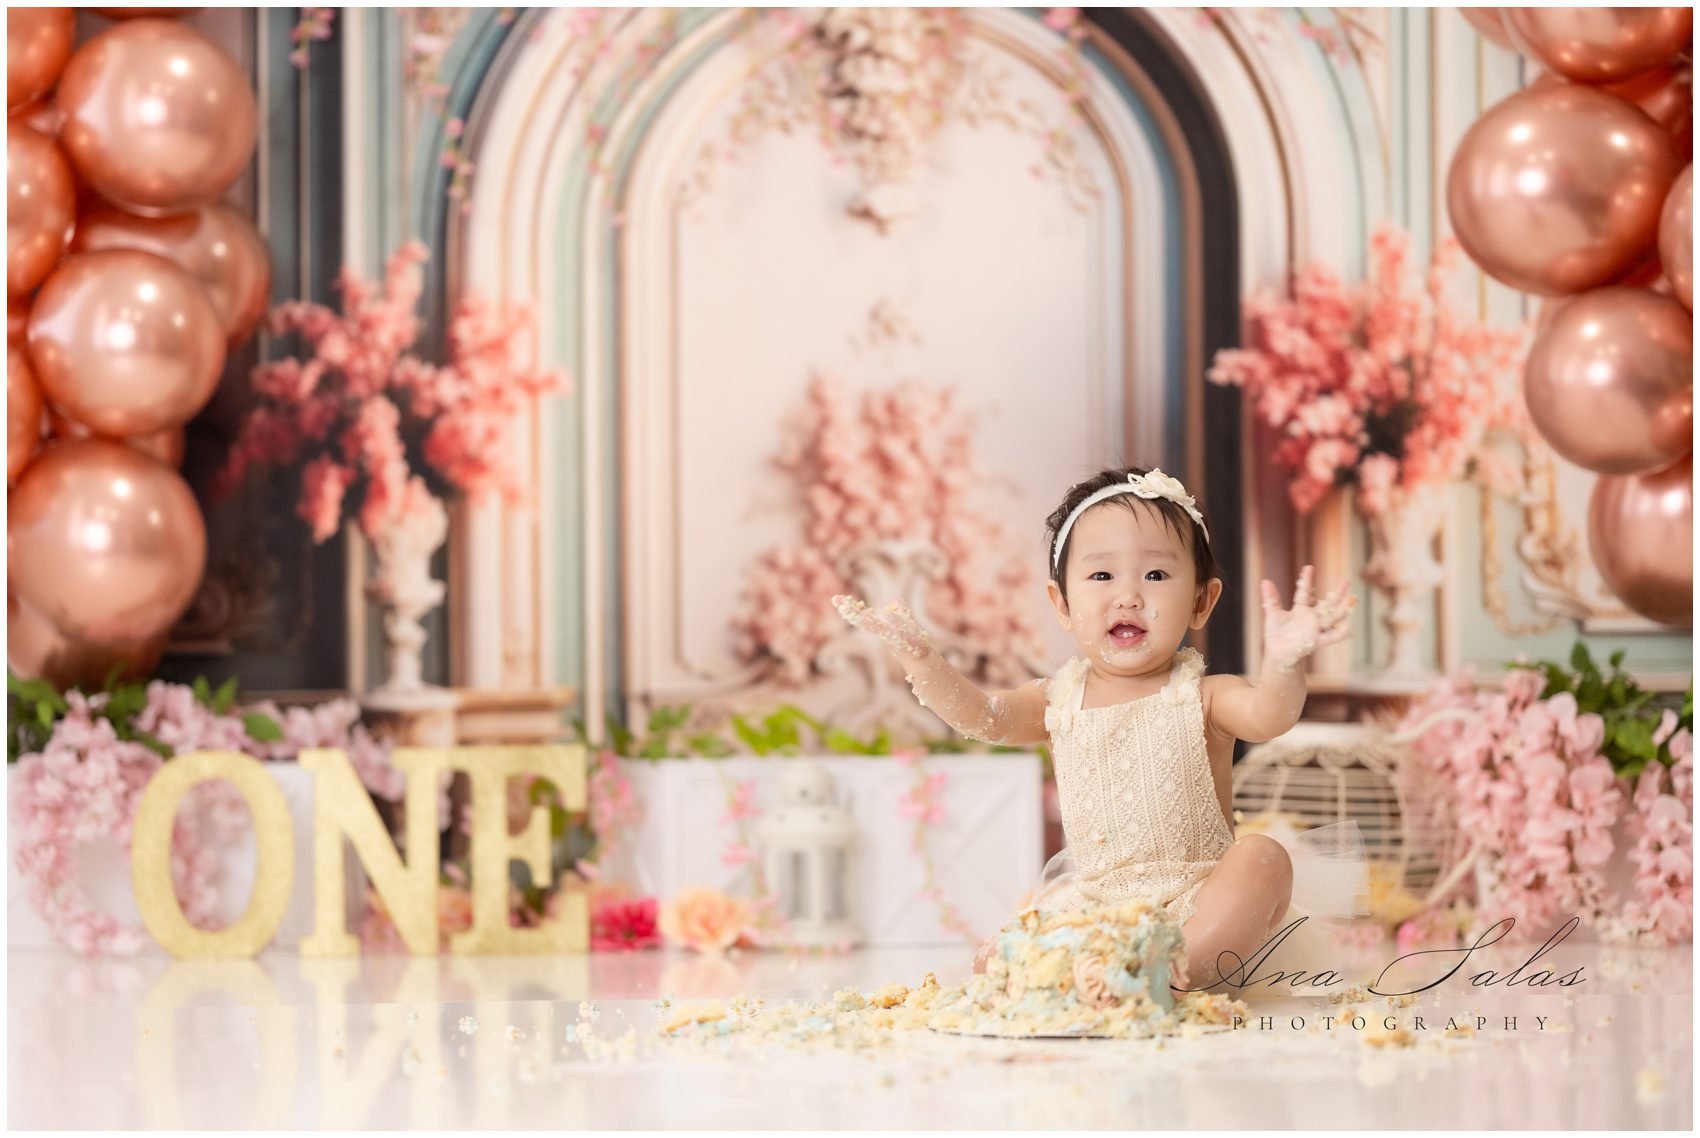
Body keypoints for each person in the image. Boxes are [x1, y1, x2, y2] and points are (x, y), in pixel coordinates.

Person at [832, 465, 1370, 998]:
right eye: (1101, 576)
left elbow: (1271, 715)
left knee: (1263, 858)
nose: (1129, 596)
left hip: (1199, 902)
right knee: (998, 962)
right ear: (1061, 604)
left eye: (1156, 576)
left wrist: (1284, 662)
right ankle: (1103, 976)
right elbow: (982, 717)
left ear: (1202, 601)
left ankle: (1173, 970)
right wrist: (922, 660)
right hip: (1097, 907)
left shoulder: (1204, 695)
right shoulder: (1055, 700)